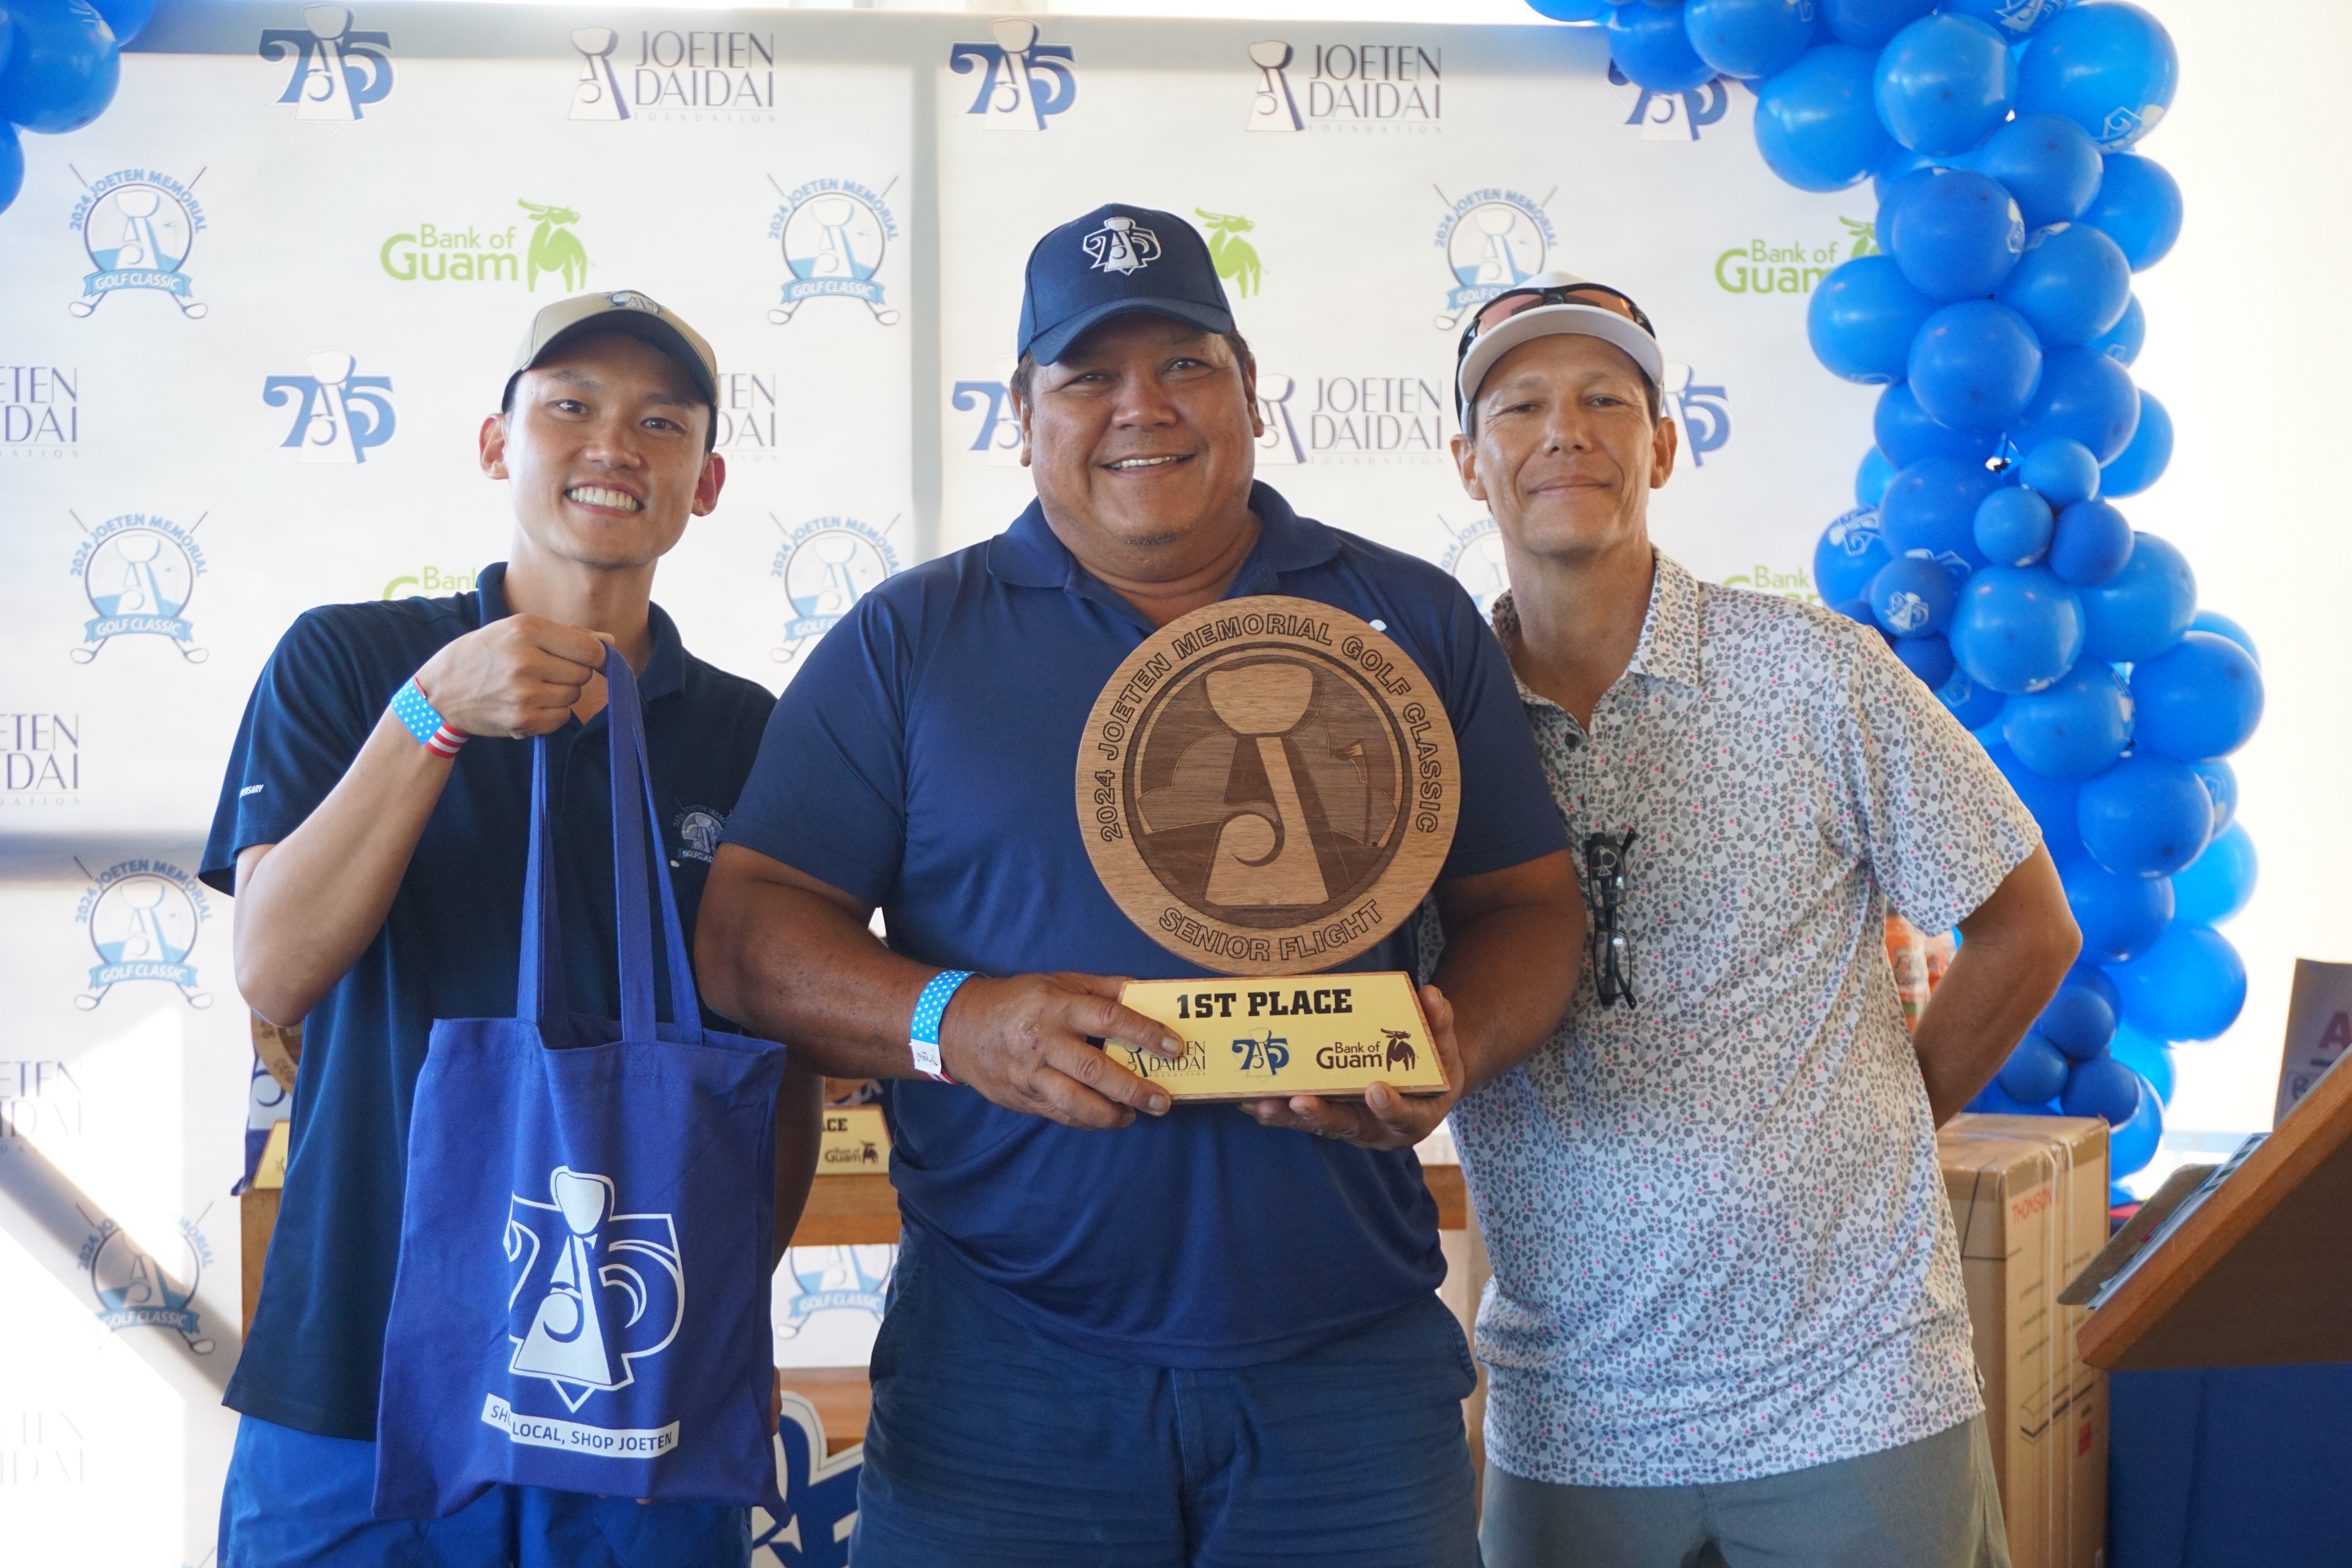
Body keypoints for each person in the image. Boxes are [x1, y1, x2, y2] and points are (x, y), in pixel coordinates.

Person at [694, 204, 1584, 1568]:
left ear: (1251, 394)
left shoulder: (1407, 615)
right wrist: (957, 1021)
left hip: (1345, 1367)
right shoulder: (910, 638)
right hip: (1003, 1373)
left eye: (1186, 365)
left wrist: (1448, 1046)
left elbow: (1531, 910)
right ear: (1024, 409)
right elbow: (750, 935)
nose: (1141, 409)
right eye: (1089, 375)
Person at [1442, 274, 2083, 1568]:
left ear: (1665, 445)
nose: (1565, 430)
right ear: (1470, 462)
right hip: (1573, 1421)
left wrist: (1881, 1124)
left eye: (1606, 400)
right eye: (1521, 404)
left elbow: (2028, 926)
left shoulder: (1814, 672)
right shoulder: (1430, 730)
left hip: (1854, 1394)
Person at [203, 291, 822, 1568]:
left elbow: (780, 1074)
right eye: (571, 409)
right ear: (500, 444)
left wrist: (720, 1333)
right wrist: (429, 716)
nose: (614, 445)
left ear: (705, 483)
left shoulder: (750, 735)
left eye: (660, 421)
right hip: (356, 1369)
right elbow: (275, 964)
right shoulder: (350, 662)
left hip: (633, 1392)